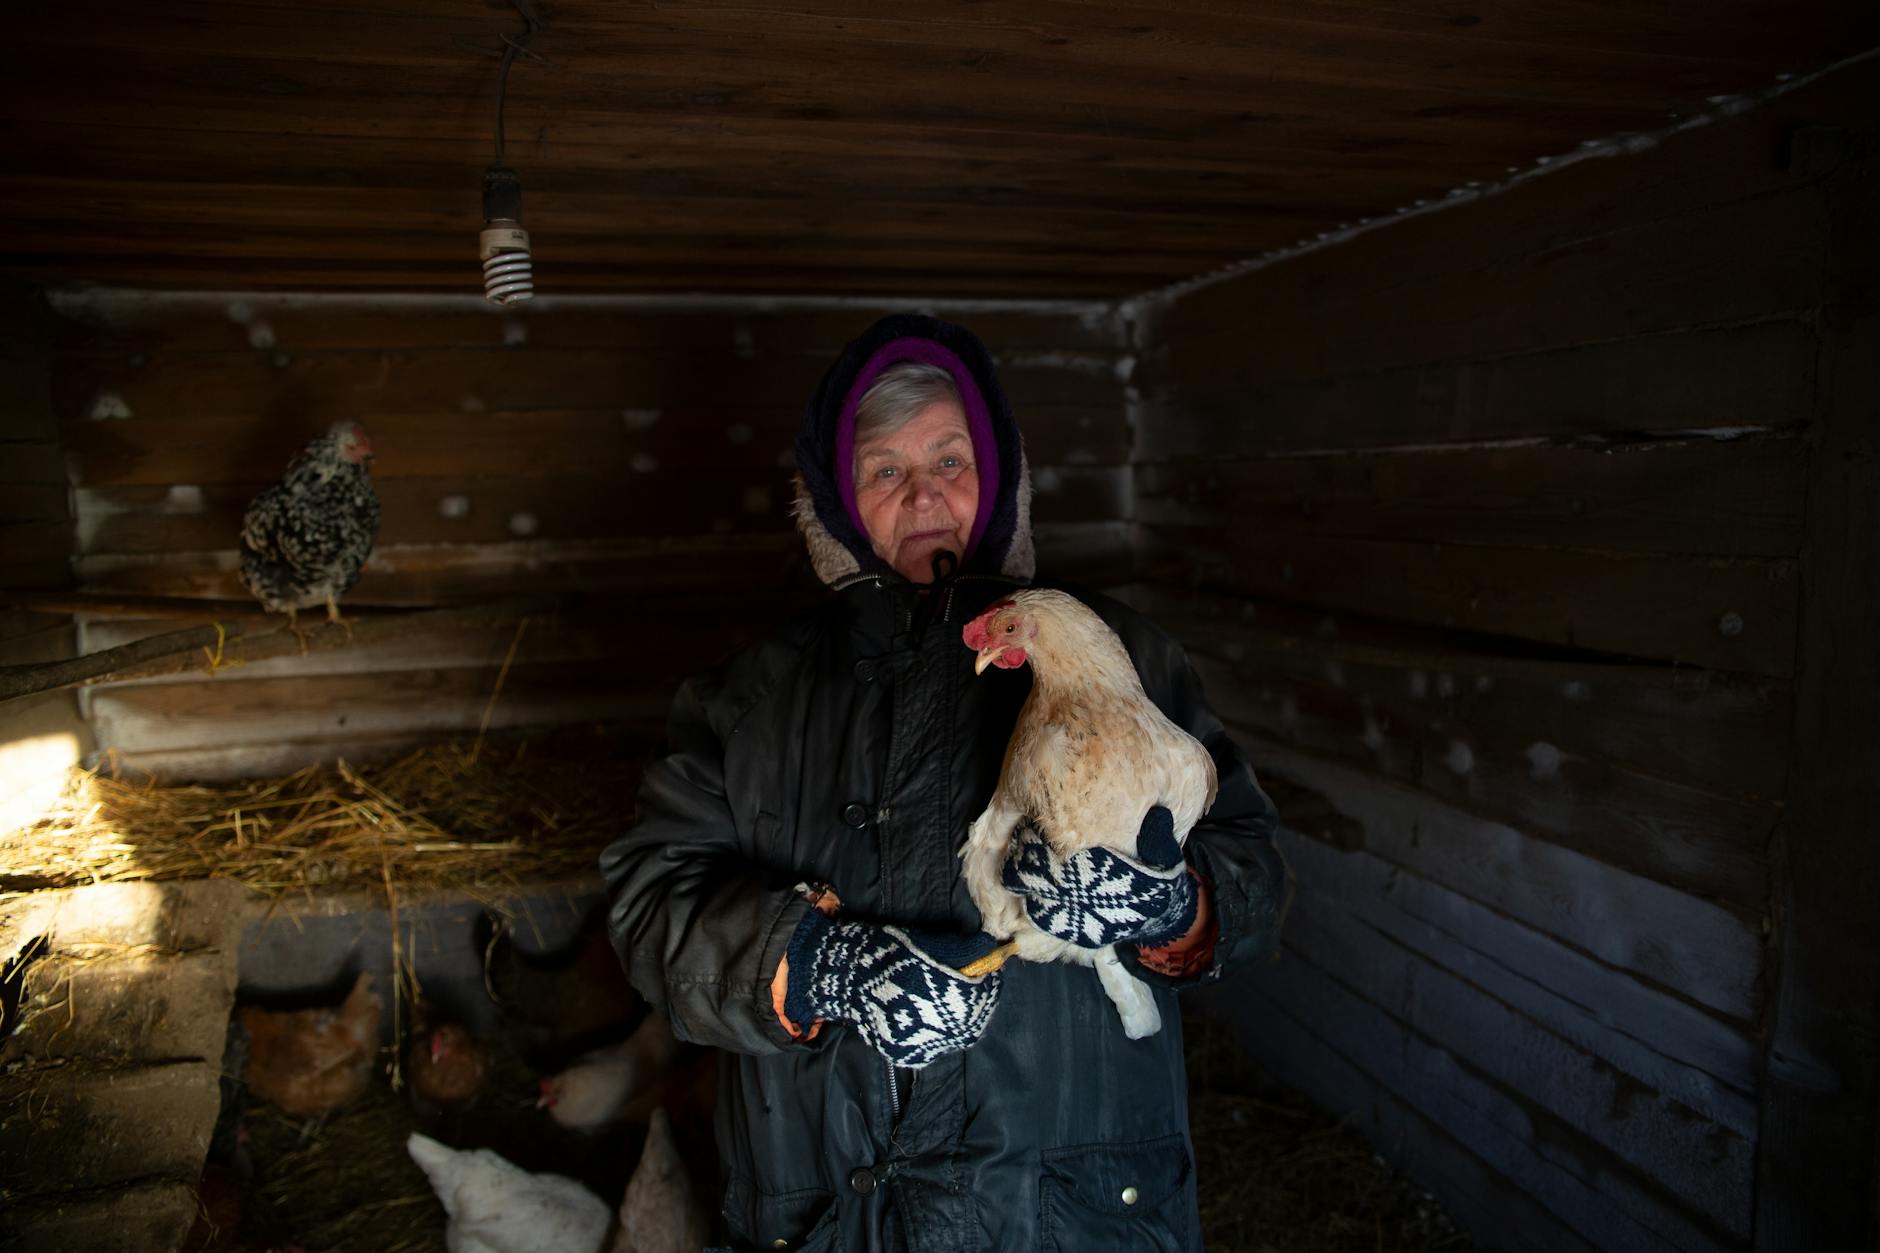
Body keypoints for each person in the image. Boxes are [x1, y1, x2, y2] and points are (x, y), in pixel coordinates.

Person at [603, 314, 1287, 1253]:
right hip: (828, 1211)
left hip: (1073, 1213)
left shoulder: (1131, 657)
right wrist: (814, 967)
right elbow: (648, 907)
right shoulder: (749, 697)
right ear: (839, 502)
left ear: (999, 477)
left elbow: (1253, 864)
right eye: (884, 469)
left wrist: (1177, 909)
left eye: (950, 459)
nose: (923, 492)